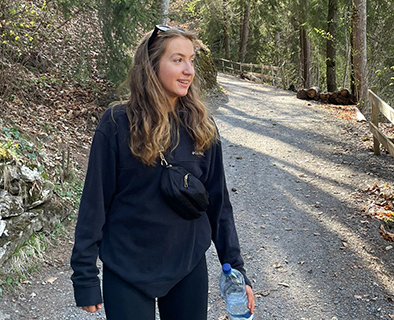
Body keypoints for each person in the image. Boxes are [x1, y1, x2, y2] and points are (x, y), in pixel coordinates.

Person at [70, 25, 255, 320]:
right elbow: (94, 202)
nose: (189, 70)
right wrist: (85, 275)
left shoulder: (201, 127)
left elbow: (219, 205)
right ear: (152, 64)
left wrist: (237, 270)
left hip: (187, 265)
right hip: (126, 267)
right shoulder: (117, 123)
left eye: (191, 60)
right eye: (177, 59)